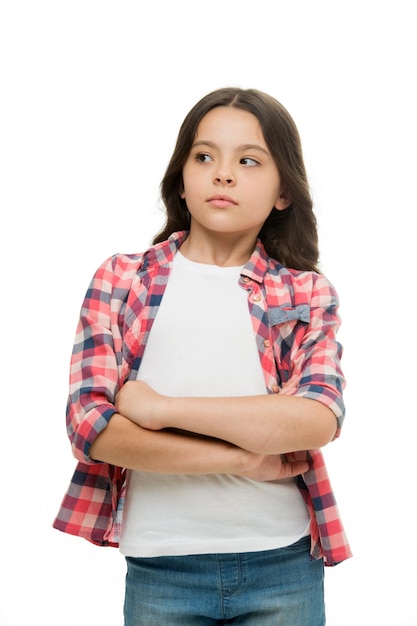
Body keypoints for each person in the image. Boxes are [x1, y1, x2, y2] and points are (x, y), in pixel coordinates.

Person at [53, 87, 352, 625]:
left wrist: (160, 410)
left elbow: (315, 419)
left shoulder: (306, 293)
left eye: (249, 160)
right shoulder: (122, 280)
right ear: (182, 180)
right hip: (161, 568)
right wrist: (240, 459)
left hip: (283, 564)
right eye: (205, 156)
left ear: (284, 191)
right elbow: (92, 428)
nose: (223, 174)